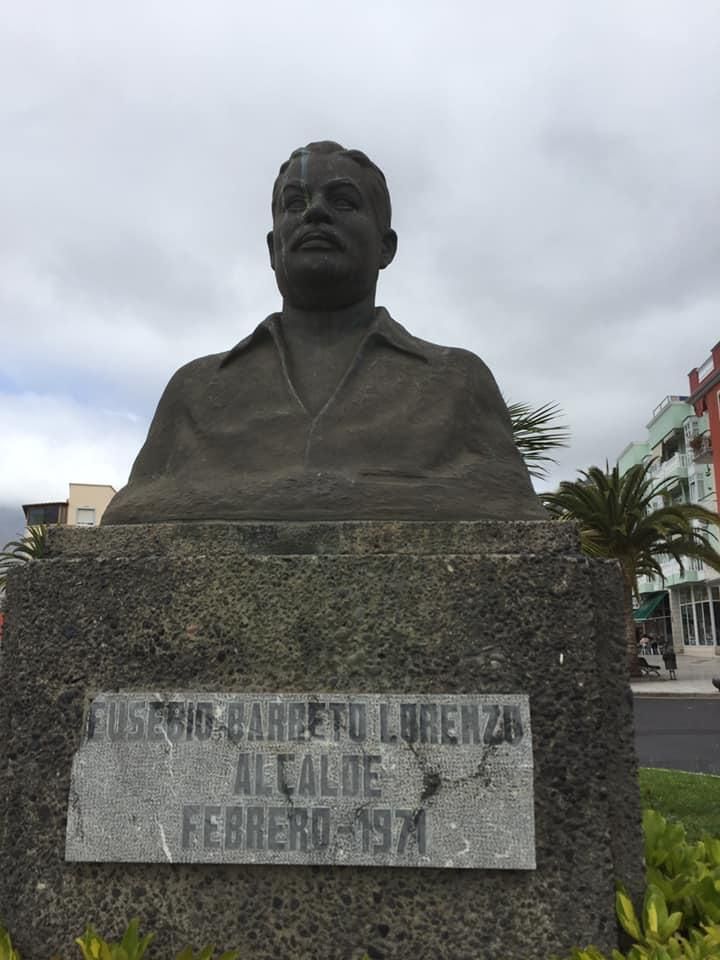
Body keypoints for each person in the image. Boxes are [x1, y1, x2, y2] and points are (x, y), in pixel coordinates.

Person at [103, 141, 544, 525]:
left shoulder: (455, 380)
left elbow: (508, 503)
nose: (314, 211)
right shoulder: (196, 390)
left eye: (343, 202)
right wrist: (370, 493)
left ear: (385, 248)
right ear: (273, 249)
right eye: (294, 203)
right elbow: (131, 511)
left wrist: (273, 495)